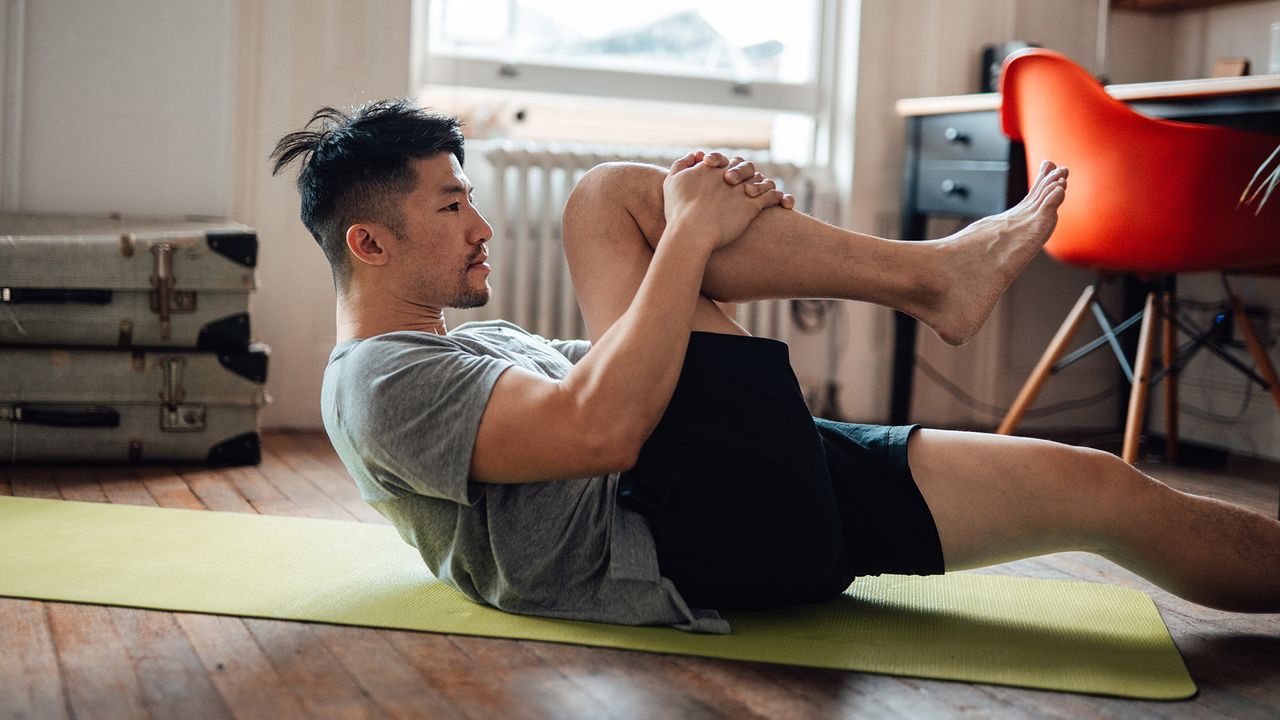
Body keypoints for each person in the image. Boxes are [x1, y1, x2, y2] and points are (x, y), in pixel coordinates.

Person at [272, 99, 1280, 634]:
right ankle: (933, 279)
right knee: (603, 201)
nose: (481, 227)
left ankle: (936, 282)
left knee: (1091, 488)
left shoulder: (465, 348)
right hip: (673, 532)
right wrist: (688, 232)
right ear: (369, 244)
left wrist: (706, 234)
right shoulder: (376, 385)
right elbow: (603, 427)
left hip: (734, 499)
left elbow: (648, 359)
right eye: (450, 209)